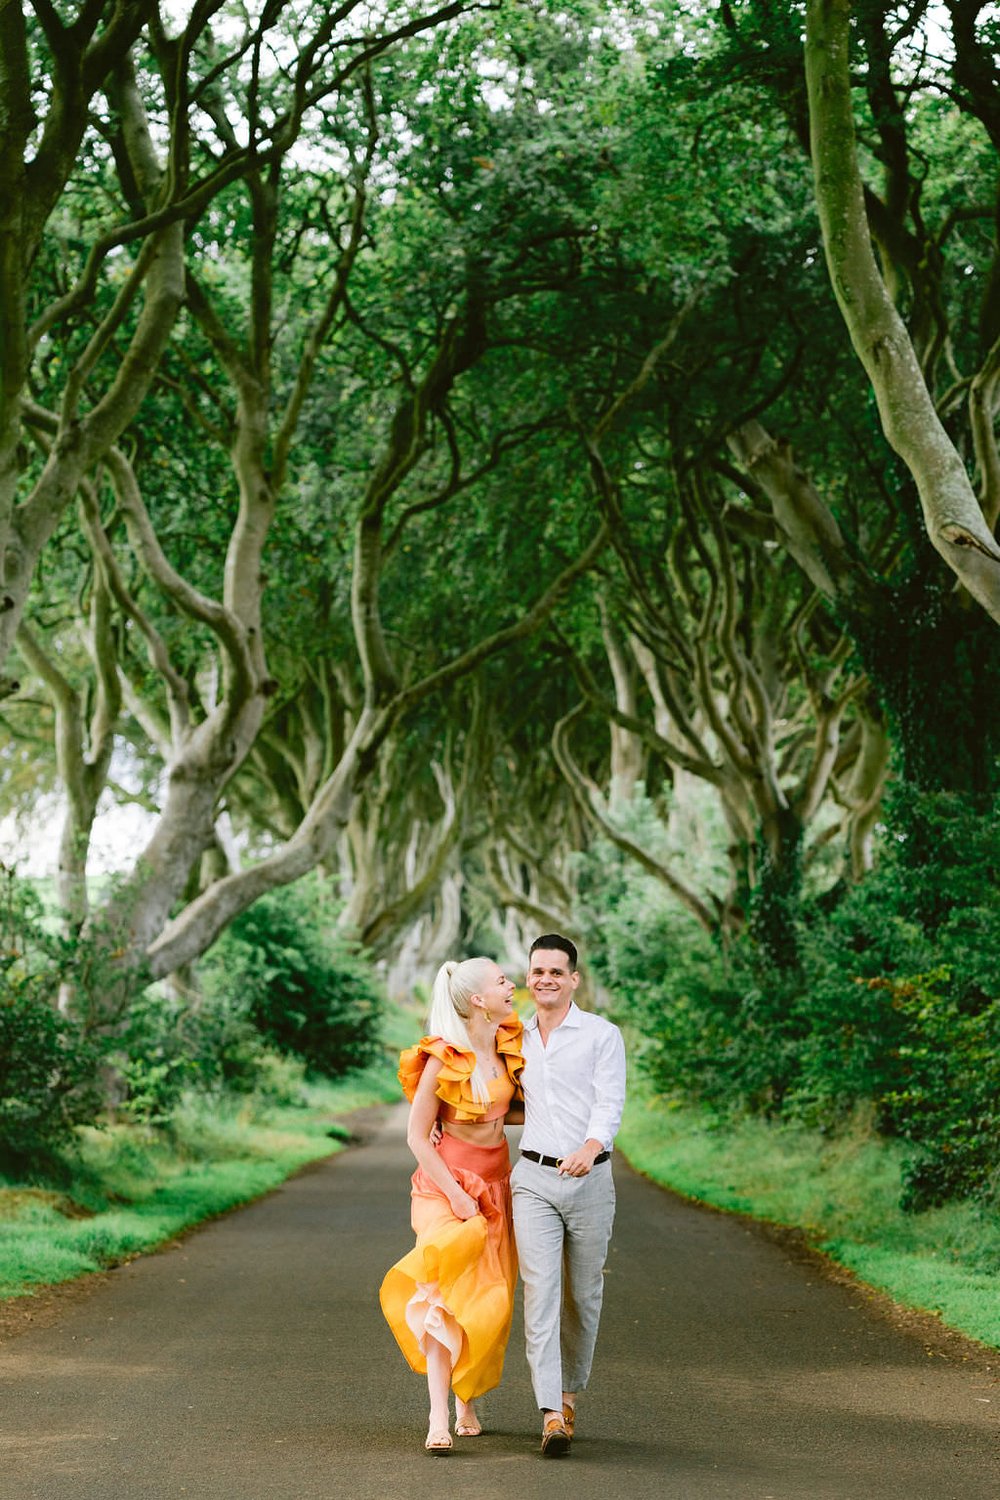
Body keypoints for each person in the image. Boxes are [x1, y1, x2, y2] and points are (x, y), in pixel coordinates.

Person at [379, 957, 524, 1454]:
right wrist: (459, 1196)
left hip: (496, 1185)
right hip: (444, 1189)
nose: (513, 985)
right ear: (477, 1000)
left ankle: (468, 1396)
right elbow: (417, 1138)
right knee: (442, 1298)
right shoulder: (444, 1058)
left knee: (489, 1301)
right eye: (502, 981)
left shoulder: (510, 1044)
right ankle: (438, 1415)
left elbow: (528, 1104)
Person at [511, 933, 626, 1458]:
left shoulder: (601, 1035)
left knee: (582, 1296)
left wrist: (592, 1145)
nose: (546, 979)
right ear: (528, 977)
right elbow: (489, 1088)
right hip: (532, 1179)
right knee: (539, 1293)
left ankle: (570, 1396)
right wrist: (448, 1124)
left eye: (557, 971)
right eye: (538, 971)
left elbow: (610, 1101)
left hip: (590, 1180)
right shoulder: (514, 1036)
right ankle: (550, 1414)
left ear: (574, 979)